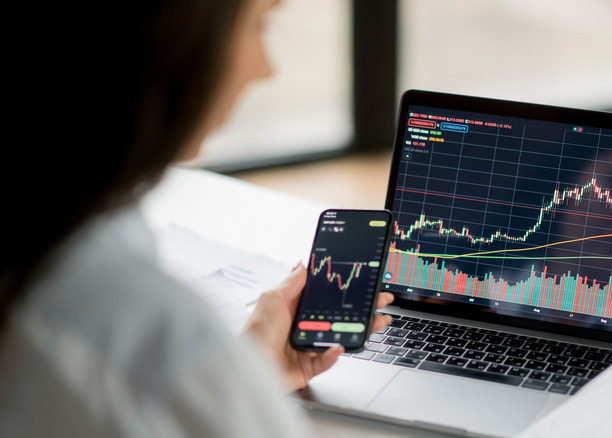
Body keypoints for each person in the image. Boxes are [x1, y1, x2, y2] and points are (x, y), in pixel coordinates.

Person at [0, 0, 393, 435]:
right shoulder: (163, 345)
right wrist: (225, 383)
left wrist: (249, 372)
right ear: (176, 43)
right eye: (260, 26)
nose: (267, 69)